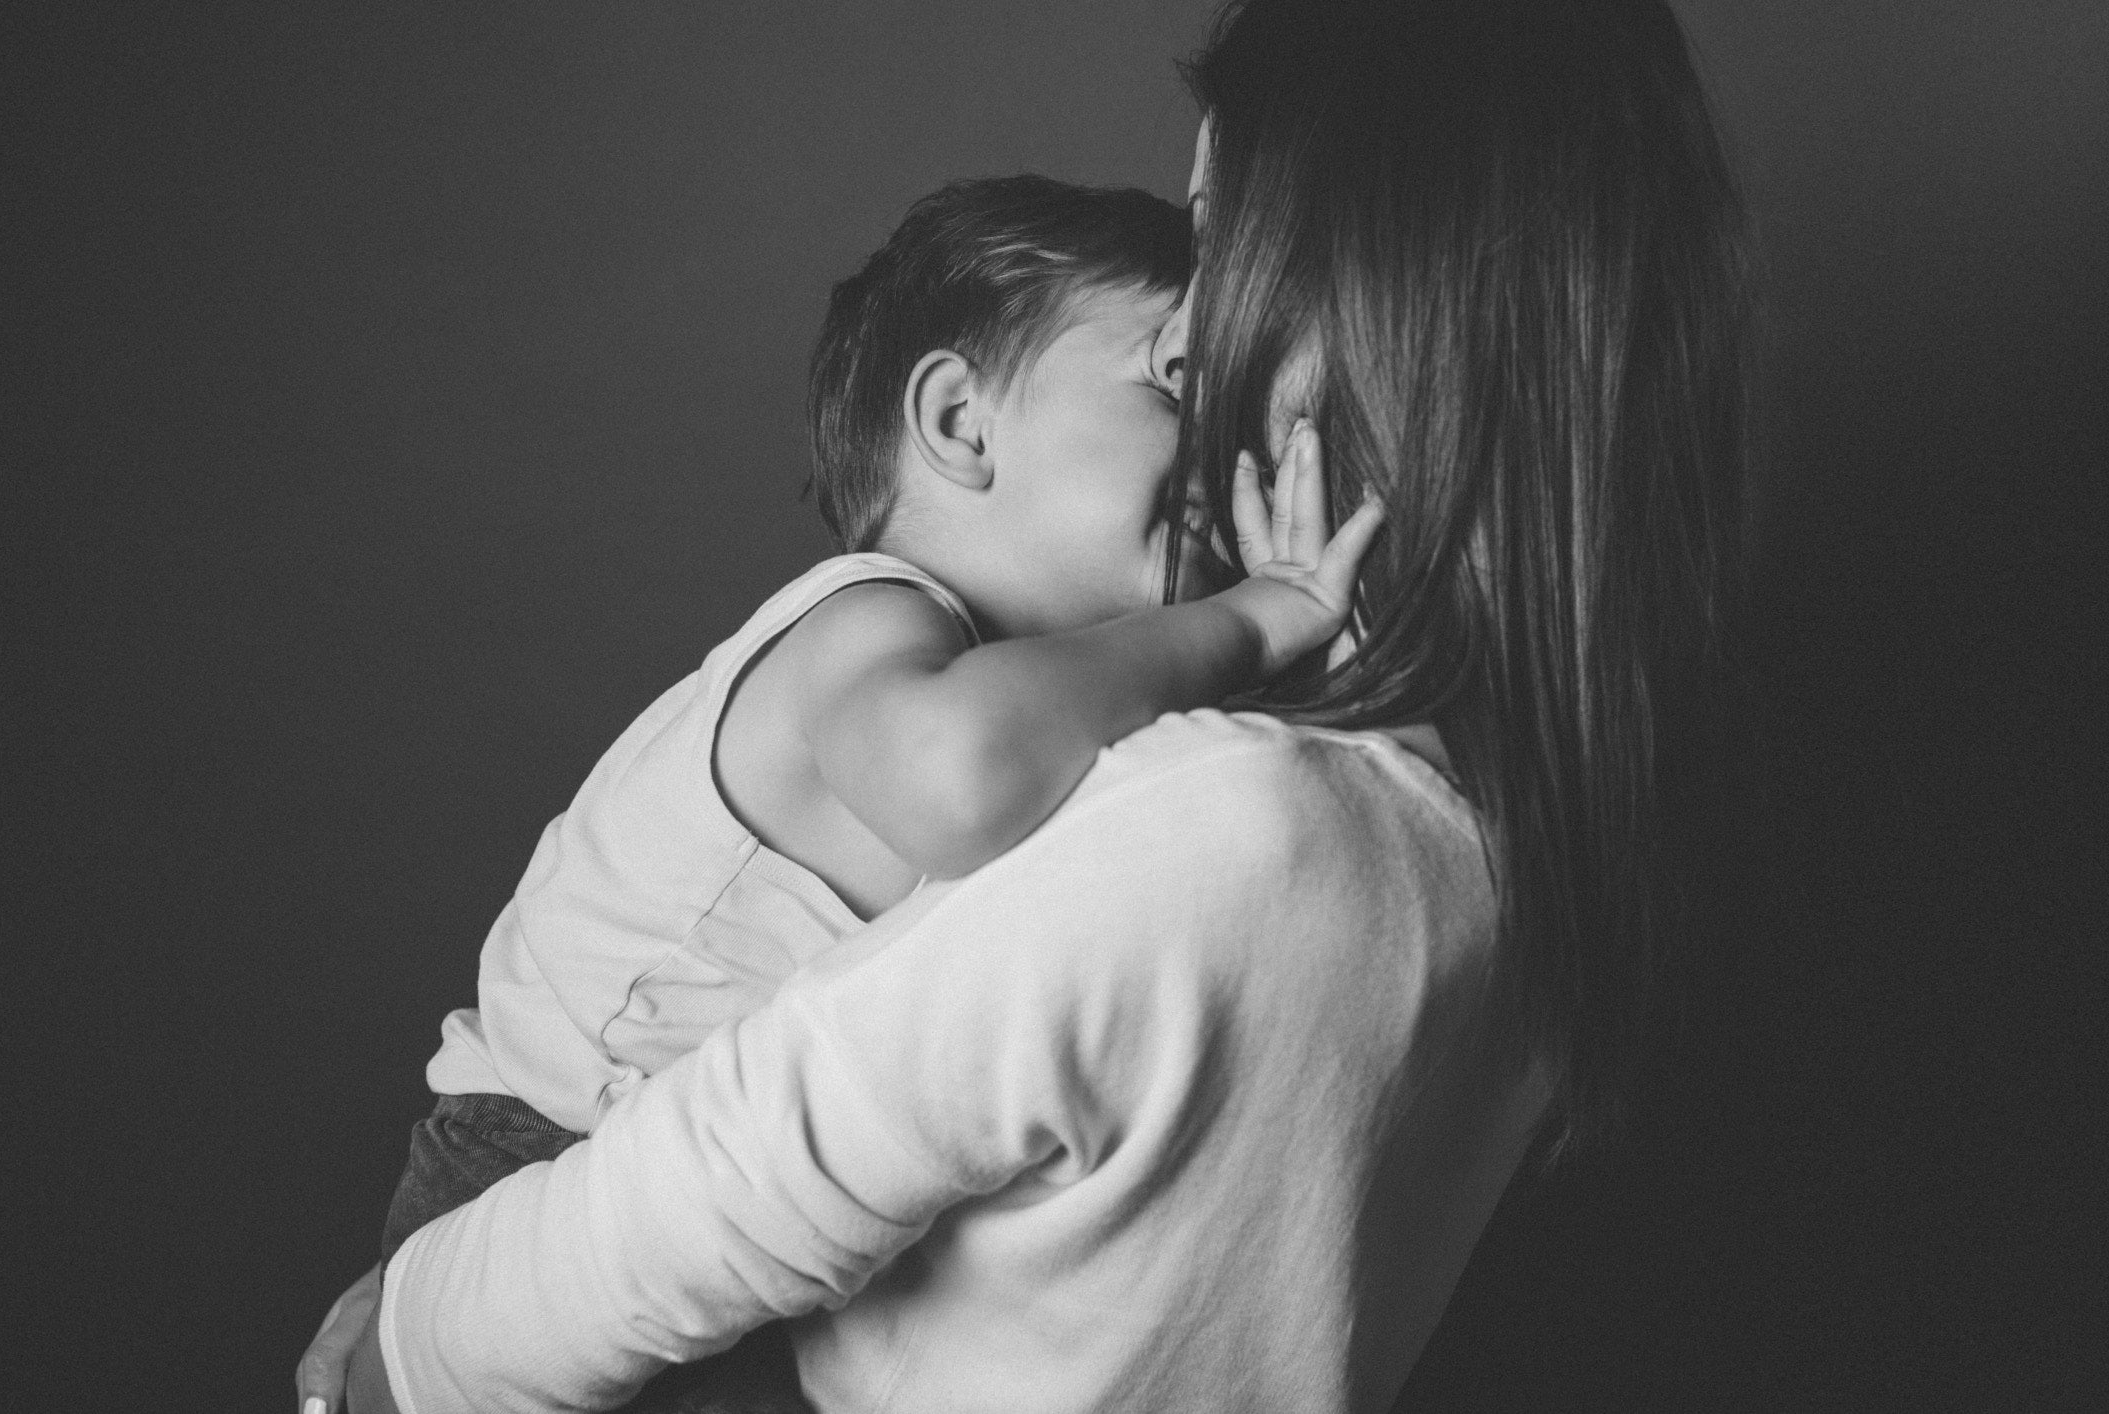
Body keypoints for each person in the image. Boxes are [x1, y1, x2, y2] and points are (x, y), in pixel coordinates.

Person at [301, 0, 1752, 1409]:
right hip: (529, 1143)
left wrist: (399, 1360)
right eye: (1168, 366)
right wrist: (1248, 624)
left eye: (1223, 246)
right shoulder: (1505, 872)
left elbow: (735, 1181)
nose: (1215, 350)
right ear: (955, 424)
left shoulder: (1231, 824)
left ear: (1370, 269)